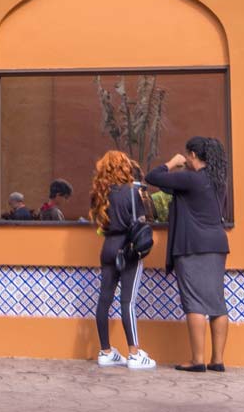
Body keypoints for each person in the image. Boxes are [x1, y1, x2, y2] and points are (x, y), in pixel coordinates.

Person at [146, 137, 230, 373]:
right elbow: (173, 188)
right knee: (216, 303)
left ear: (193, 154)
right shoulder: (217, 181)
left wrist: (172, 162)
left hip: (192, 245)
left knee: (194, 302)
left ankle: (197, 360)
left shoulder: (190, 179)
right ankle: (217, 360)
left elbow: (152, 177)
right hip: (217, 244)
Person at [88, 150, 156, 370]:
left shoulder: (100, 194)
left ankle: (105, 351)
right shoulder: (132, 192)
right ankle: (134, 353)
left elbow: (100, 224)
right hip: (128, 249)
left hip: (107, 248)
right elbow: (140, 221)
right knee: (127, 302)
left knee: (104, 300)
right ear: (125, 167)